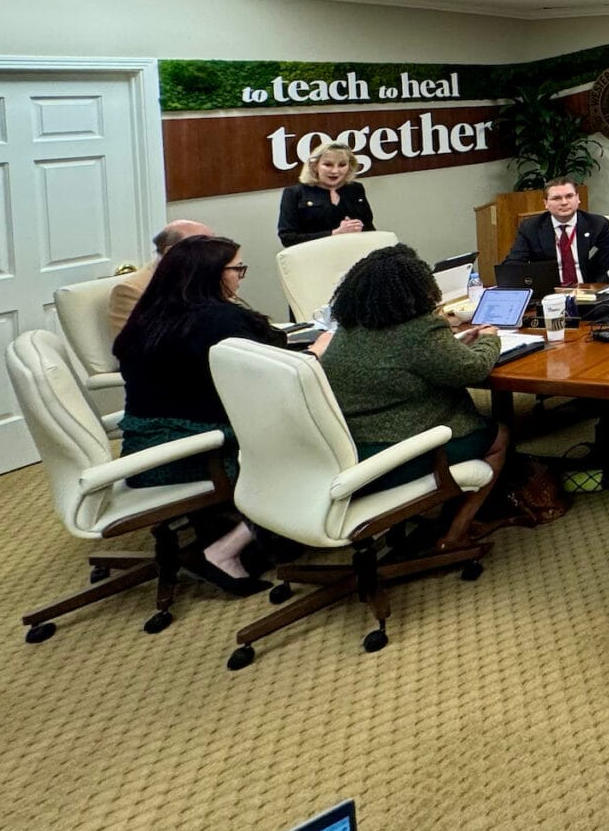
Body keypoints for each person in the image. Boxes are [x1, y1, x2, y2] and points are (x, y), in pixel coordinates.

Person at [112, 235, 312, 593]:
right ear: (212, 274)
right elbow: (277, 371)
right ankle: (224, 550)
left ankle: (257, 529)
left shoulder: (146, 318)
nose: (240, 277)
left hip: (143, 449)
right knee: (310, 450)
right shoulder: (218, 320)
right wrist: (319, 351)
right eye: (237, 269)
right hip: (195, 453)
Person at [318, 245, 509, 550]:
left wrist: (454, 343)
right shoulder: (418, 330)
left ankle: (449, 515)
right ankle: (455, 534)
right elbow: (472, 370)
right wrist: (488, 341)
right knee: (499, 435)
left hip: (346, 449)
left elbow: (400, 360)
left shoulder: (349, 326)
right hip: (394, 455)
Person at [504, 178, 609, 287]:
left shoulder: (598, 225)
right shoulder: (530, 228)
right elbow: (513, 266)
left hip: (589, 292)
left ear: (577, 198)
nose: (564, 202)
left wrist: (594, 294)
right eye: (557, 198)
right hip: (549, 294)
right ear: (546, 203)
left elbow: (608, 268)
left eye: (569, 196)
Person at [109, 218, 211, 336]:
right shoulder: (132, 291)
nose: (214, 252)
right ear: (172, 252)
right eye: (204, 246)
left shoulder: (210, 274)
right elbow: (133, 348)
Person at [277, 143, 373, 246]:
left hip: (355, 251)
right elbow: (287, 238)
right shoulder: (294, 193)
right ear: (314, 166)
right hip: (313, 256)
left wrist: (358, 228)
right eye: (328, 165)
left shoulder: (355, 189)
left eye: (342, 165)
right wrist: (335, 233)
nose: (335, 171)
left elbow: (369, 227)